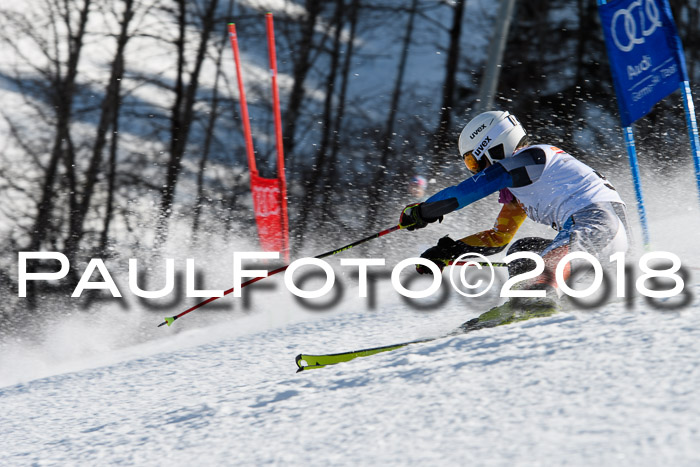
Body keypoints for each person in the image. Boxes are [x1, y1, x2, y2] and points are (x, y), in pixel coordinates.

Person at [398, 110, 630, 304]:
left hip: (599, 225)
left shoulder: (531, 158)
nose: (476, 169)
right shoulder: (524, 184)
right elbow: (498, 237)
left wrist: (423, 211)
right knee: (522, 252)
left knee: (551, 258)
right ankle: (538, 299)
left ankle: (539, 297)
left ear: (492, 146)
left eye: (473, 161)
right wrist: (447, 252)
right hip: (598, 245)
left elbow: (466, 191)